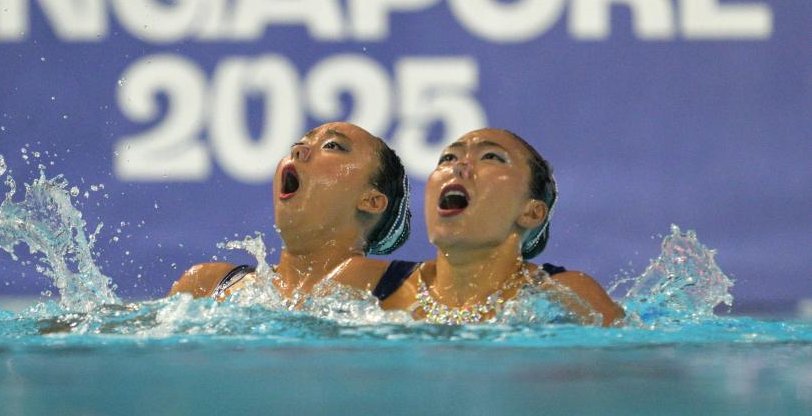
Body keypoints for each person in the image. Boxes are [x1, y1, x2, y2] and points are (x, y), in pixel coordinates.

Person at [380, 128, 624, 325]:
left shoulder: (566, 295)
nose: (458, 166)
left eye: (491, 157)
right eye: (448, 158)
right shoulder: (371, 285)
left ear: (531, 213)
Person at [170, 122, 414, 305]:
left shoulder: (408, 290)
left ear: (371, 201)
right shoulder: (205, 286)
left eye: (332, 146)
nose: (299, 150)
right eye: (300, 143)